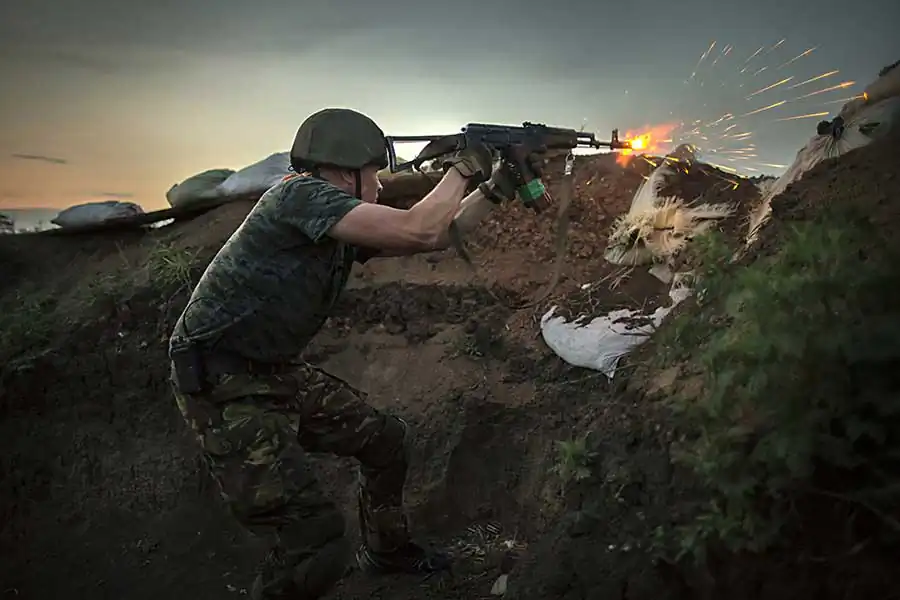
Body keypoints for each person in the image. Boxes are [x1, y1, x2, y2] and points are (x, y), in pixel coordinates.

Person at [167, 108, 545, 600]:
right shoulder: (297, 196)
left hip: (272, 372)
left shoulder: (331, 222)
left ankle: (388, 550)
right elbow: (418, 229)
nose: (381, 186)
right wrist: (465, 165)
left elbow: (435, 235)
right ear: (346, 171)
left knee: (387, 442)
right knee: (315, 544)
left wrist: (495, 189)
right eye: (373, 174)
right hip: (224, 386)